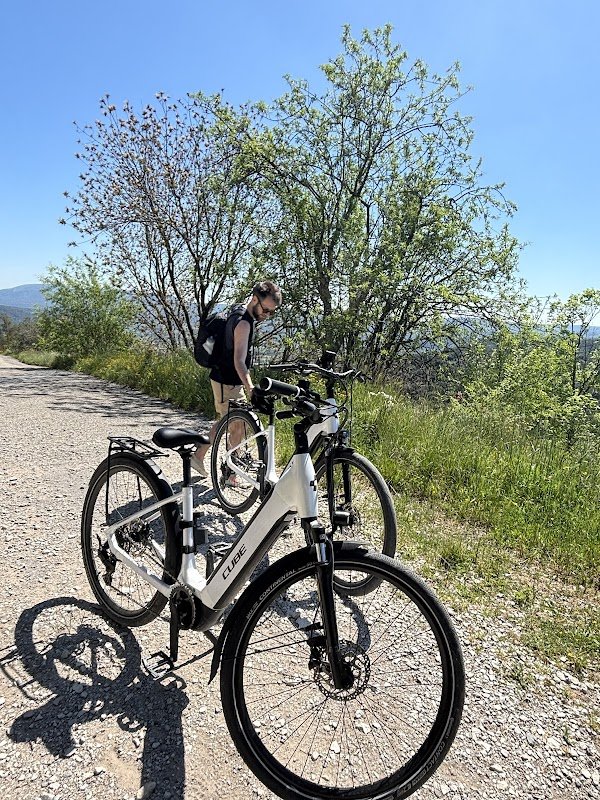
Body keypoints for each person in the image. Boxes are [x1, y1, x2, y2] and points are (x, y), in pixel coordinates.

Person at [191, 280, 282, 476]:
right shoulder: (243, 323)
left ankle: (229, 467)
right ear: (255, 300)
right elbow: (239, 361)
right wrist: (251, 389)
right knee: (233, 422)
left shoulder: (242, 311)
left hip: (230, 380)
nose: (267, 316)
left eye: (272, 312)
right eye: (266, 310)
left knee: (235, 423)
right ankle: (207, 459)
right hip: (226, 380)